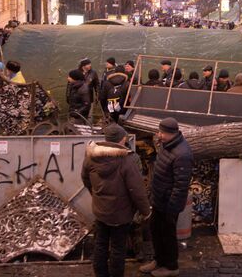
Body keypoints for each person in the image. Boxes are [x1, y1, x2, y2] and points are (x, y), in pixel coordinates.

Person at [82, 124, 151, 277]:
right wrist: (146, 211)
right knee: (118, 249)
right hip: (121, 214)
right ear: (122, 139)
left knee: (100, 245)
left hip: (101, 212)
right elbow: (137, 190)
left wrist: (96, 196)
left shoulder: (91, 157)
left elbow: (85, 179)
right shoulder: (126, 160)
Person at [140, 118, 193, 277]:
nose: (159, 135)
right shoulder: (167, 145)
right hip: (159, 200)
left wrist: (172, 208)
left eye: (161, 132)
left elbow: (181, 185)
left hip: (169, 205)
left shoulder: (182, 154)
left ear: (171, 133)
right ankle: (159, 260)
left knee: (168, 235)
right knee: (156, 230)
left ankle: (171, 266)